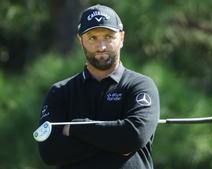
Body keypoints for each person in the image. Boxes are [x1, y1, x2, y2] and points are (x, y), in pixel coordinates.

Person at [38, 4, 160, 169]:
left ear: (122, 38)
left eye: (108, 37)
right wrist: (116, 140)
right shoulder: (61, 92)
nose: (101, 47)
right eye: (92, 38)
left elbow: (133, 137)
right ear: (81, 40)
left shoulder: (140, 86)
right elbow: (50, 152)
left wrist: (75, 128)